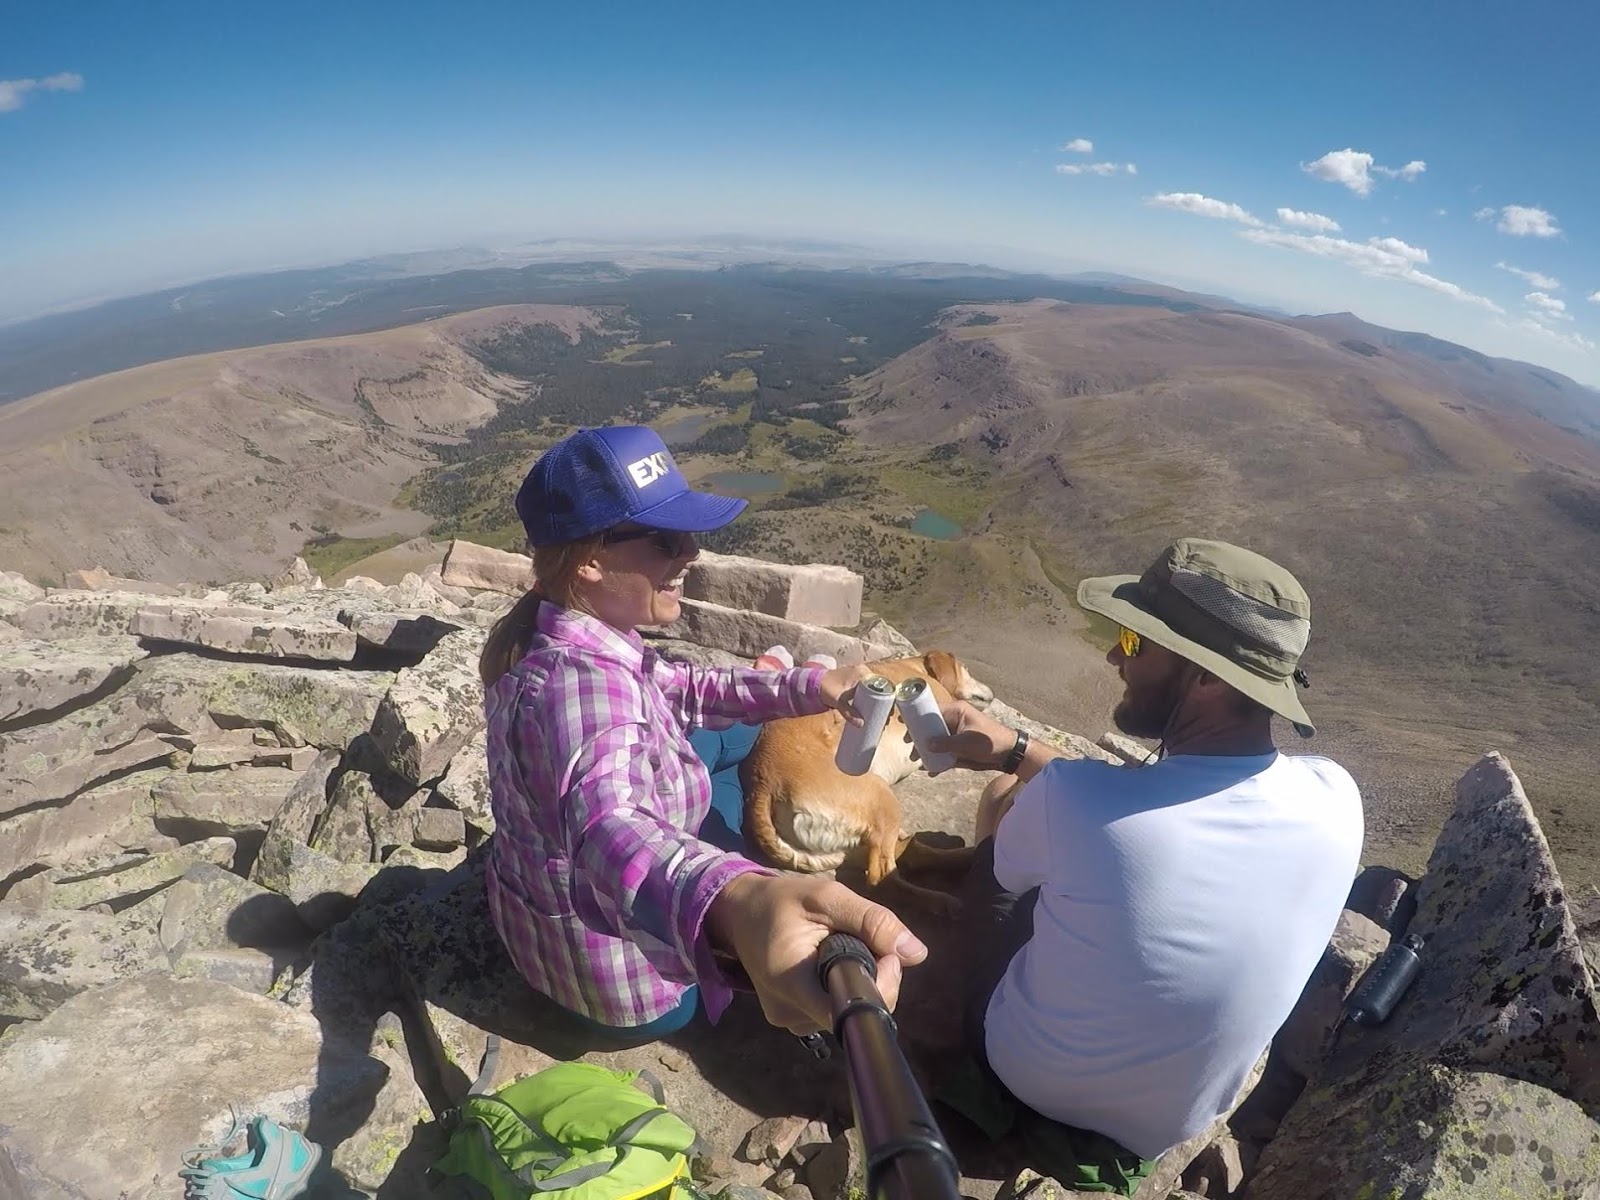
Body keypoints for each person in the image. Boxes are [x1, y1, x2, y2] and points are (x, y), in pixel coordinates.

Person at [927, 538, 1364, 1177]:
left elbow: (1038, 848)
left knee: (1001, 804)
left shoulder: (1071, 799)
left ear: (1209, 677)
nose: (1113, 655)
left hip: (1028, 1077)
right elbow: (1123, 812)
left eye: (1134, 642)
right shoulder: (1338, 796)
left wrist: (1015, 766)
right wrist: (1021, 746)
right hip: (1169, 1123)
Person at [479, 424, 926, 1042]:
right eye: (667, 538)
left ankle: (737, 808)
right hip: (625, 990)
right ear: (588, 560)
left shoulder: (564, 636)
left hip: (539, 926)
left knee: (740, 738)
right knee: (722, 781)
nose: (691, 551)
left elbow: (685, 690)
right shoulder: (580, 691)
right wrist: (735, 900)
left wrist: (809, 687)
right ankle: (740, 848)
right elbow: (611, 828)